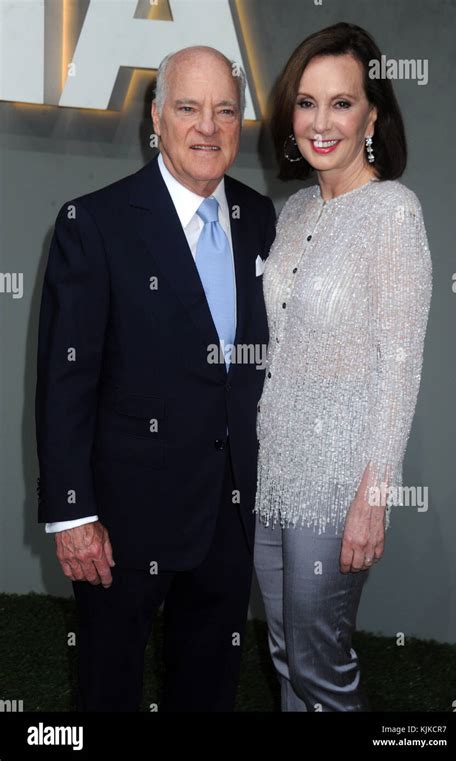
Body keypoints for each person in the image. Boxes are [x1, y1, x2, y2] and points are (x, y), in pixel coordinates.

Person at [35, 45, 276, 712]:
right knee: (108, 691)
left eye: (224, 110)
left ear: (239, 122)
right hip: (121, 521)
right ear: (157, 117)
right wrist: (73, 512)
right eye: (189, 108)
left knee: (207, 690)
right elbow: (65, 380)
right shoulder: (97, 224)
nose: (207, 127)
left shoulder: (259, 219)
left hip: (228, 516)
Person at [253, 22, 432, 712]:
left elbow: (400, 364)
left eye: (341, 103)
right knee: (285, 654)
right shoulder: (294, 210)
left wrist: (373, 496)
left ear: (372, 115)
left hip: (338, 482)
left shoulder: (392, 212)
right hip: (277, 469)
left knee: (322, 665)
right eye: (306, 102)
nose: (320, 122)